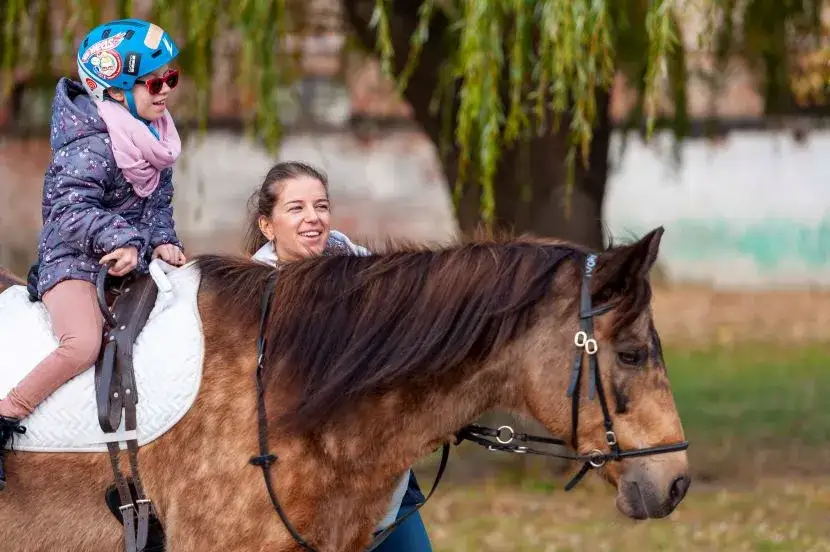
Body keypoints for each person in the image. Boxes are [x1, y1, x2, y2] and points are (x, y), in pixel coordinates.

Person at [0, 19, 187, 490]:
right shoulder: (90, 144)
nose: (166, 90)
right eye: (154, 82)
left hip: (130, 258)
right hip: (73, 263)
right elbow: (69, 210)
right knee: (83, 342)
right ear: (118, 91)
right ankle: (8, 411)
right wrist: (120, 239)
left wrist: (165, 240)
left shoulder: (154, 139)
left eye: (172, 77)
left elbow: (158, 208)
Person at [245, 161, 433, 551]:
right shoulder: (252, 295)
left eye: (321, 206)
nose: (313, 218)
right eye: (296, 208)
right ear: (267, 226)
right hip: (302, 484)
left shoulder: (365, 271)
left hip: (382, 470)